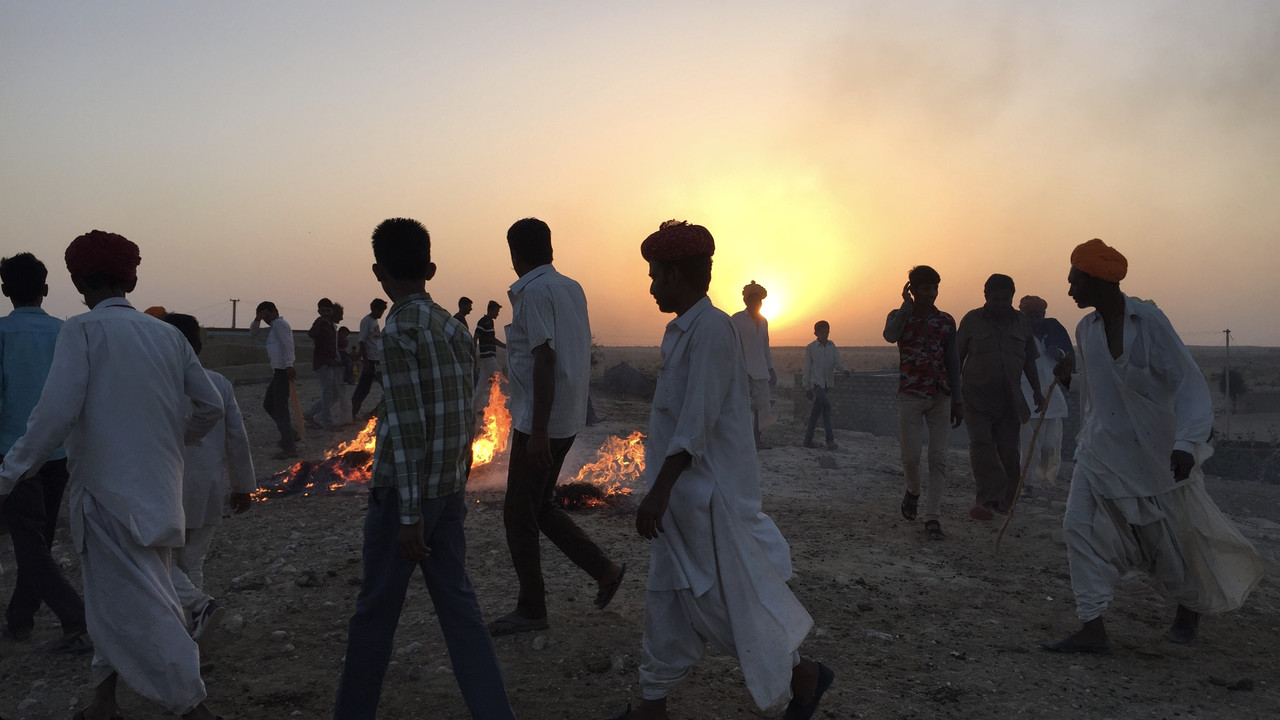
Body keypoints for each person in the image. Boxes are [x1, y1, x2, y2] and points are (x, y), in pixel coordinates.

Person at [607, 220, 831, 720]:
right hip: (681, 500)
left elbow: (696, 423)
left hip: (710, 499)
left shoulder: (709, 330)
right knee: (667, 593)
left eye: (656, 275)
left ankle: (803, 673)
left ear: (679, 276)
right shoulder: (684, 330)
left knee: (719, 604)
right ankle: (653, 702)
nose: (651, 286)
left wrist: (658, 492)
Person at [0, 230, 224, 720]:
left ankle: (193, 708)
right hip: (162, 492)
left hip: (107, 498)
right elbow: (209, 405)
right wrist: (174, 436)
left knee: (145, 610)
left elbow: (53, 416)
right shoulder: (168, 335)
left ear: (78, 280)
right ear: (133, 276)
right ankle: (103, 702)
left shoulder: (80, 330)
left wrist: (8, 474)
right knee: (111, 602)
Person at [1043, 239, 1269, 654]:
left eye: (1075, 281)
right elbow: (1098, 393)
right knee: (1077, 525)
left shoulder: (1149, 322)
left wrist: (1186, 442)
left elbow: (1188, 381)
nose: (1070, 289)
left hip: (1158, 454)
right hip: (1099, 450)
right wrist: (1070, 376)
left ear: (1097, 282)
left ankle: (1189, 604)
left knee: (1173, 539)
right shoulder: (1085, 329)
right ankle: (1092, 627)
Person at [333, 217, 515, 720]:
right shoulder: (453, 328)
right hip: (447, 492)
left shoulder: (400, 331)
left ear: (379, 272)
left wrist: (409, 516)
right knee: (461, 613)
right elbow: (460, 415)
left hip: (404, 499)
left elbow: (410, 427)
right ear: (430, 268)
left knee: (373, 619)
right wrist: (452, 488)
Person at [489, 217, 624, 637]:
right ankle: (604, 570)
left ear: (516, 254)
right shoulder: (571, 287)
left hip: (540, 421)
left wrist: (539, 432)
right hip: (565, 415)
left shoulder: (532, 293)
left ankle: (532, 609)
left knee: (519, 515)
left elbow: (545, 359)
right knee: (540, 505)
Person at [0, 252, 88, 650]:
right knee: (38, 542)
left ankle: (77, 617)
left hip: (12, 455)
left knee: (30, 544)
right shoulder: (65, 332)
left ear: (5, 291)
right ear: (46, 289)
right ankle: (20, 618)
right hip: (57, 454)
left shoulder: (1, 334)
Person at [161, 313, 256, 647]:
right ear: (199, 347)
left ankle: (194, 613)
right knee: (193, 560)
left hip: (167, 488)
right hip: (208, 488)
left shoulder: (157, 384)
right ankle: (194, 624)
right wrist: (243, 485)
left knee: (161, 562)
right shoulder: (219, 383)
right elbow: (237, 439)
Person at [882, 265, 964, 540]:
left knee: (939, 457)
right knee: (910, 457)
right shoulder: (899, 316)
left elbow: (953, 361)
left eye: (935, 288)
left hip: (941, 395)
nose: (931, 294)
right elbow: (890, 335)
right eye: (925, 289)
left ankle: (933, 516)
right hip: (910, 394)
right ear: (912, 289)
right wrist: (906, 308)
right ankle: (913, 491)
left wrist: (958, 399)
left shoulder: (946, 321)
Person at [956, 274, 1043, 522]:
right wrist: (954, 397)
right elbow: (956, 357)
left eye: (1006, 299)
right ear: (986, 296)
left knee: (1009, 453)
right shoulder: (972, 321)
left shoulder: (1022, 322)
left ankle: (1007, 501)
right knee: (982, 447)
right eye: (996, 299)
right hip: (976, 397)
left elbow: (1029, 360)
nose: (1001, 304)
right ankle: (986, 501)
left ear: (1012, 298)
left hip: (1010, 399)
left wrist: (1037, 390)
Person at [1016, 295, 1074, 496]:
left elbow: (1066, 361)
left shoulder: (1052, 335)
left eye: (1038, 316)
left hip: (1051, 399)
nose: (1035, 320)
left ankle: (1041, 478)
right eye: (1030, 316)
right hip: (1026, 398)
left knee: (1049, 445)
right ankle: (1027, 484)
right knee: (1029, 446)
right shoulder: (1018, 337)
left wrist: (1058, 353)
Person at [730, 281, 777, 448]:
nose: (756, 304)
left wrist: (771, 369)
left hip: (761, 370)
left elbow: (765, 346)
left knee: (761, 407)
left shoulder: (764, 321)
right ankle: (740, 439)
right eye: (753, 301)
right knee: (740, 406)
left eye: (759, 301)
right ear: (746, 302)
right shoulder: (736, 319)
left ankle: (757, 439)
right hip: (741, 370)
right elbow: (730, 344)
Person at [250, 300, 298, 458]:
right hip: (278, 371)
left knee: (280, 409)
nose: (265, 319)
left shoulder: (280, 325)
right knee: (269, 404)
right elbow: (254, 334)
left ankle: (289, 447)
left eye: (265, 315)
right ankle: (290, 434)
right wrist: (257, 320)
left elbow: (287, 344)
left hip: (283, 371)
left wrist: (290, 365)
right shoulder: (273, 328)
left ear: (272, 311)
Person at [801, 320, 849, 451]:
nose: (825, 335)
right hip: (817, 384)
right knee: (827, 407)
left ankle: (808, 440)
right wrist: (807, 387)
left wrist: (844, 370)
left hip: (827, 384)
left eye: (827, 332)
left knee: (815, 413)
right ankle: (830, 440)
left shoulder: (831, 346)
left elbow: (837, 362)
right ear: (816, 333)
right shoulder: (811, 348)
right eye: (822, 332)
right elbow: (807, 369)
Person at [305, 297, 345, 430]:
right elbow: (312, 334)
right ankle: (327, 422)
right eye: (323, 310)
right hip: (323, 363)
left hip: (331, 362)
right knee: (327, 393)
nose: (326, 313)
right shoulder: (321, 323)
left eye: (328, 310)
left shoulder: (329, 325)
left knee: (333, 393)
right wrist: (319, 322)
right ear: (319, 311)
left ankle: (311, 414)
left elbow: (332, 346)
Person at [350, 298, 388, 420]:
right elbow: (362, 341)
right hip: (370, 360)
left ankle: (373, 412)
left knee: (384, 387)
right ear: (373, 309)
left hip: (376, 359)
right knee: (363, 388)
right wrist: (365, 361)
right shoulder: (366, 321)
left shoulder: (375, 322)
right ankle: (352, 413)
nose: (381, 314)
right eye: (379, 311)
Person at [472, 299, 507, 415]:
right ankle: (504, 404)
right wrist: (473, 352)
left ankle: (473, 408)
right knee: (500, 377)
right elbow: (476, 336)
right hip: (487, 357)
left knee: (481, 385)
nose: (497, 313)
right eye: (496, 311)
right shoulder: (484, 321)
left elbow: (492, 339)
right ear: (491, 310)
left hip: (488, 357)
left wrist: (504, 346)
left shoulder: (489, 322)